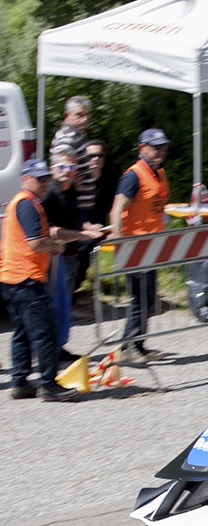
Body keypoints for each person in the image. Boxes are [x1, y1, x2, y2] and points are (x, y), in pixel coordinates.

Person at [0, 159, 102, 401]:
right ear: (25, 179)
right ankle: (48, 384)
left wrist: (81, 234)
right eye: (39, 179)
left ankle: (20, 382)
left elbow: (51, 231)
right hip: (26, 278)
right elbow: (37, 242)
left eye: (47, 178)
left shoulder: (31, 203)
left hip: (14, 278)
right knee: (46, 332)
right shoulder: (26, 204)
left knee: (23, 331)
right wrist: (55, 246)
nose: (45, 183)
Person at [109, 128, 171, 362]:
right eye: (156, 148)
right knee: (139, 299)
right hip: (135, 246)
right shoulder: (133, 175)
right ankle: (127, 348)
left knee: (148, 298)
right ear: (142, 148)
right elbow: (116, 210)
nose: (160, 152)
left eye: (163, 148)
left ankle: (138, 345)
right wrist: (119, 243)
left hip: (151, 246)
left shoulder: (159, 173)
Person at [42, 148, 103, 362]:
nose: (67, 171)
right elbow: (50, 230)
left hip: (69, 255)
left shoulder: (71, 191)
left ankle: (58, 347)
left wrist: (92, 228)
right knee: (51, 305)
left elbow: (76, 221)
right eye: (62, 167)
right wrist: (80, 234)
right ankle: (46, 351)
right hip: (53, 257)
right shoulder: (49, 193)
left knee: (64, 305)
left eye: (71, 167)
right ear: (52, 169)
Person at [73, 139, 118, 295]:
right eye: (90, 156)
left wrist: (115, 229)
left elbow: (116, 207)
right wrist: (86, 226)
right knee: (81, 248)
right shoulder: (78, 180)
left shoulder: (110, 178)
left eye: (99, 155)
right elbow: (71, 210)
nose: (95, 159)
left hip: (102, 228)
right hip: (78, 227)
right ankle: (73, 289)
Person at [49, 95, 96, 234]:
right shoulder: (66, 138)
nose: (85, 119)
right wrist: (72, 183)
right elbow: (60, 166)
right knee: (76, 245)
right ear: (66, 115)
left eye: (87, 115)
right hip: (75, 203)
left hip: (80, 201)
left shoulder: (77, 134)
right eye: (79, 115)